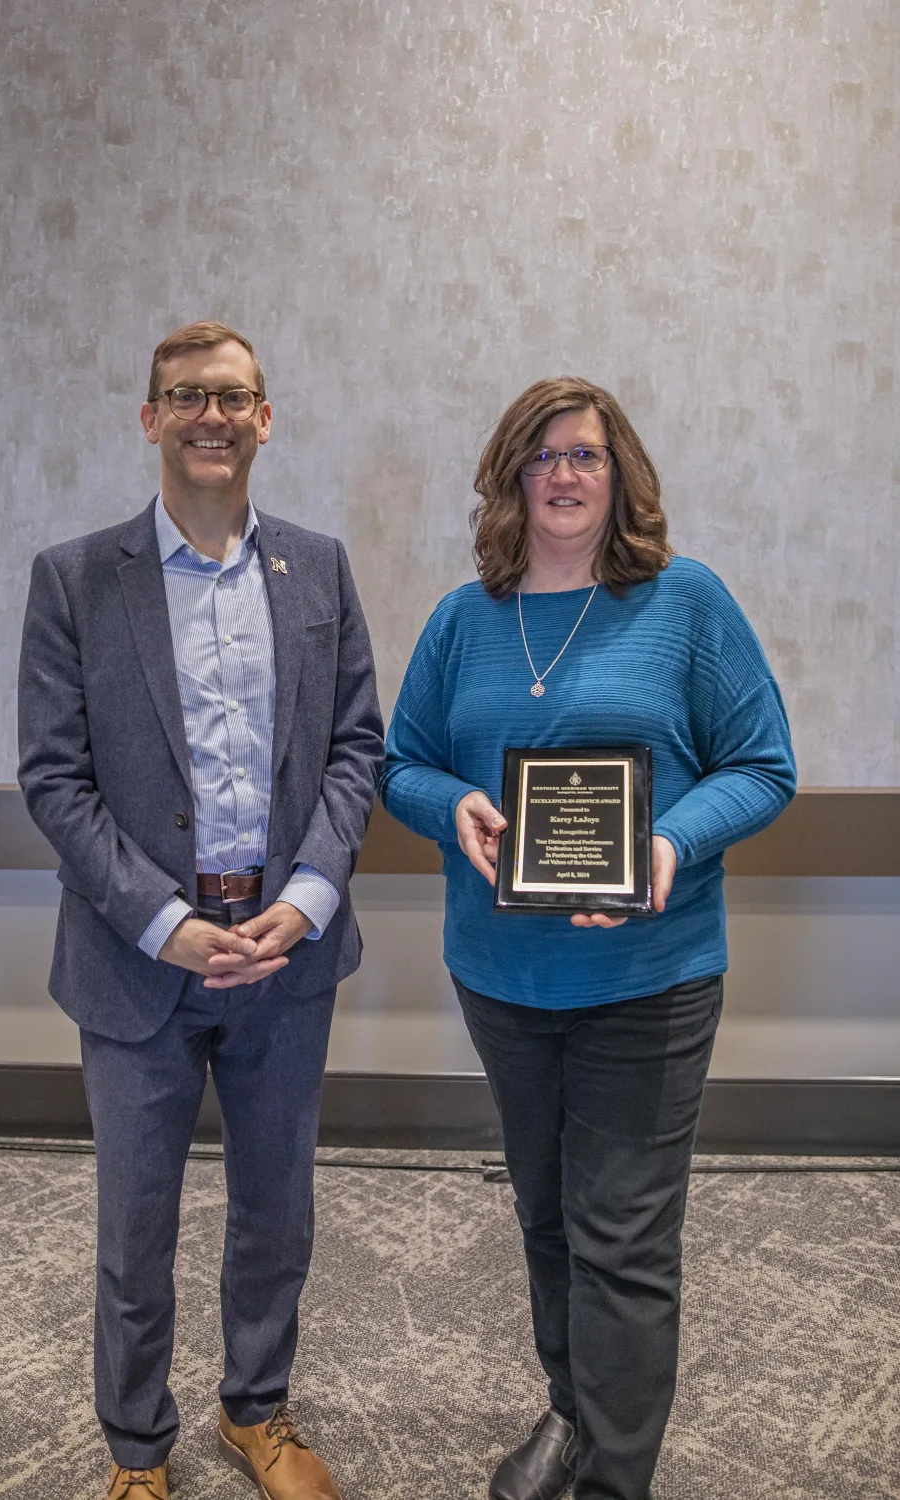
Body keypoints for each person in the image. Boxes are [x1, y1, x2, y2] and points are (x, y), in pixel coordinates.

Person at [379, 377, 795, 1500]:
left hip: (646, 979)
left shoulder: (686, 602)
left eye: (587, 456)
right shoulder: (466, 618)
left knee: (620, 1235)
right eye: (542, 456)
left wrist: (664, 846)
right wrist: (448, 807)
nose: (564, 476)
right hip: (504, 979)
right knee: (545, 1214)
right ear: (510, 476)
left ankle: (616, 1478)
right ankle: (571, 1412)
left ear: (622, 476)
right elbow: (400, 761)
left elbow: (763, 768)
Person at [18, 320, 383, 1500]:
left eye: (232, 396)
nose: (209, 416)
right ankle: (137, 1449)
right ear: (149, 419)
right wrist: (160, 921)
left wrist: (312, 897)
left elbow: (355, 750)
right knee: (136, 1229)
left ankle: (256, 1411)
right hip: (139, 963)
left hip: (286, 955)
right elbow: (55, 779)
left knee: (277, 1211)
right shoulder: (75, 578)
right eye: (184, 396)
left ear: (265, 419)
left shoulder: (319, 568)